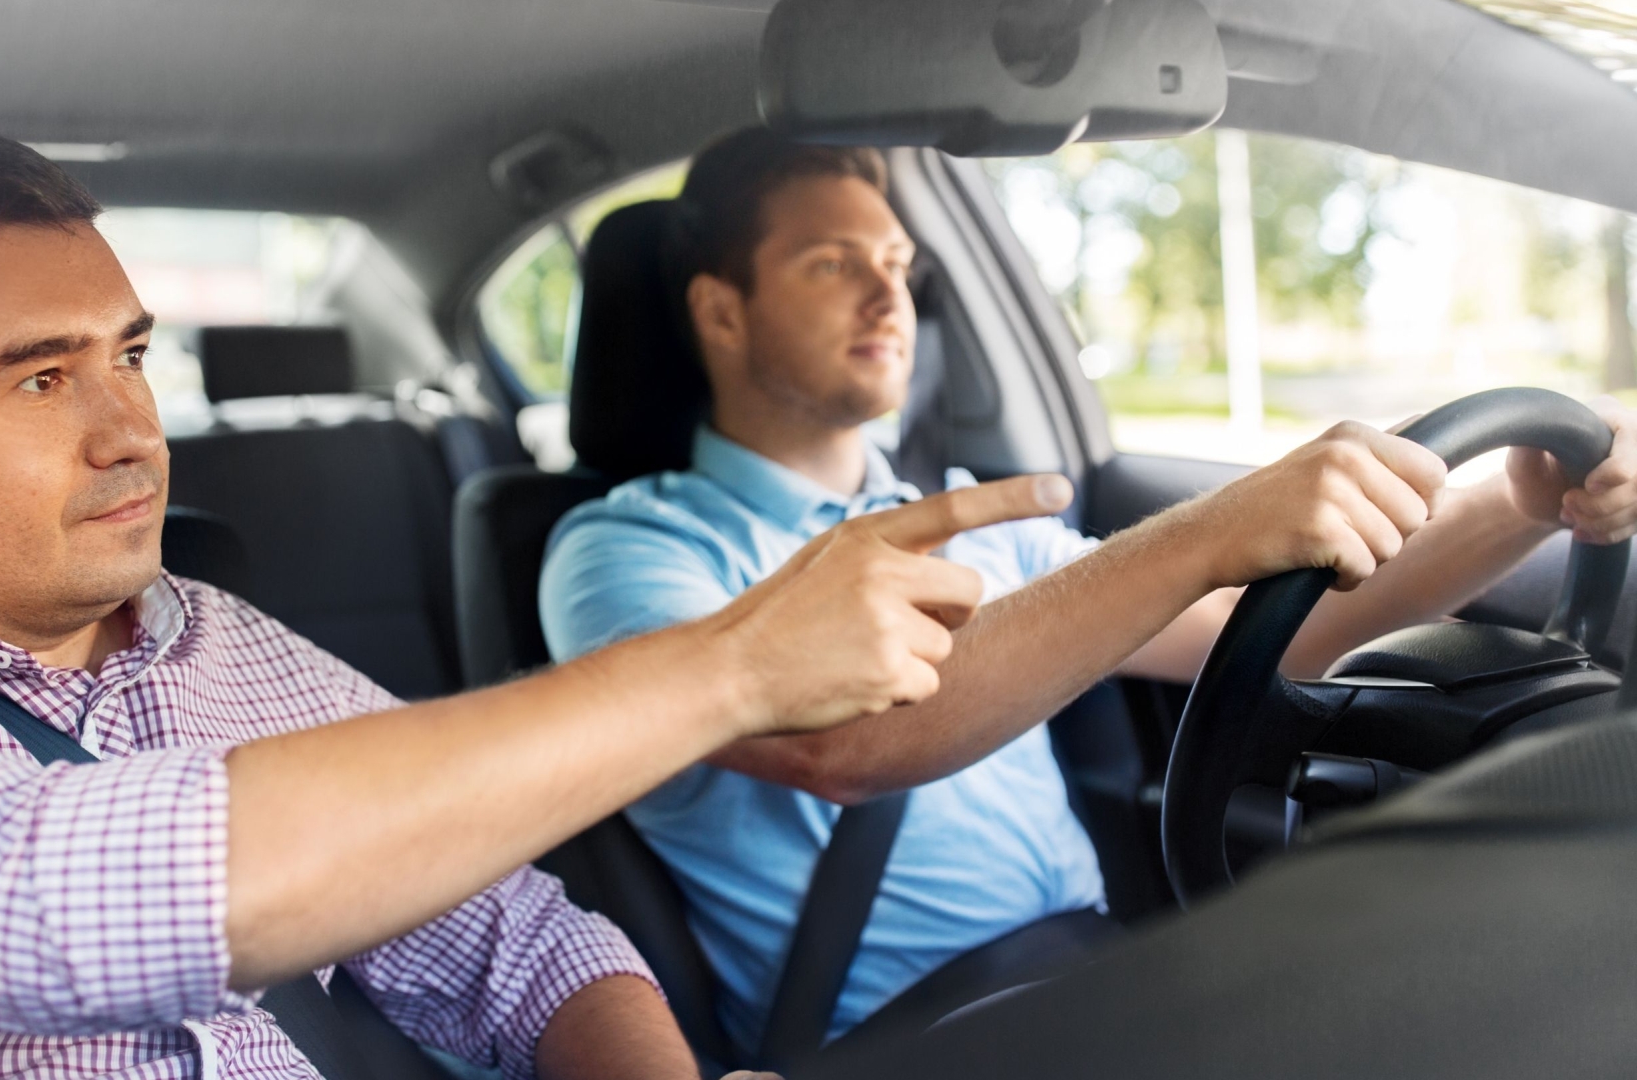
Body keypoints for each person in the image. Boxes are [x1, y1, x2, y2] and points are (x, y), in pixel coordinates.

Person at [0, 126, 1056, 1080]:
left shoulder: (220, 639)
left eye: (130, 356)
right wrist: (730, 668)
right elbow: (49, 895)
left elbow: (516, 941)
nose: (133, 431)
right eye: (39, 380)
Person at [538, 127, 1637, 1057]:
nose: (891, 293)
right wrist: (1213, 531)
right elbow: (840, 749)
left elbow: (1296, 637)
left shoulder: (971, 514)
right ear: (721, 313)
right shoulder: (623, 550)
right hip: (891, 1038)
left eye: (898, 260)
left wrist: (1520, 499)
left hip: (1097, 974)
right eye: (833, 262)